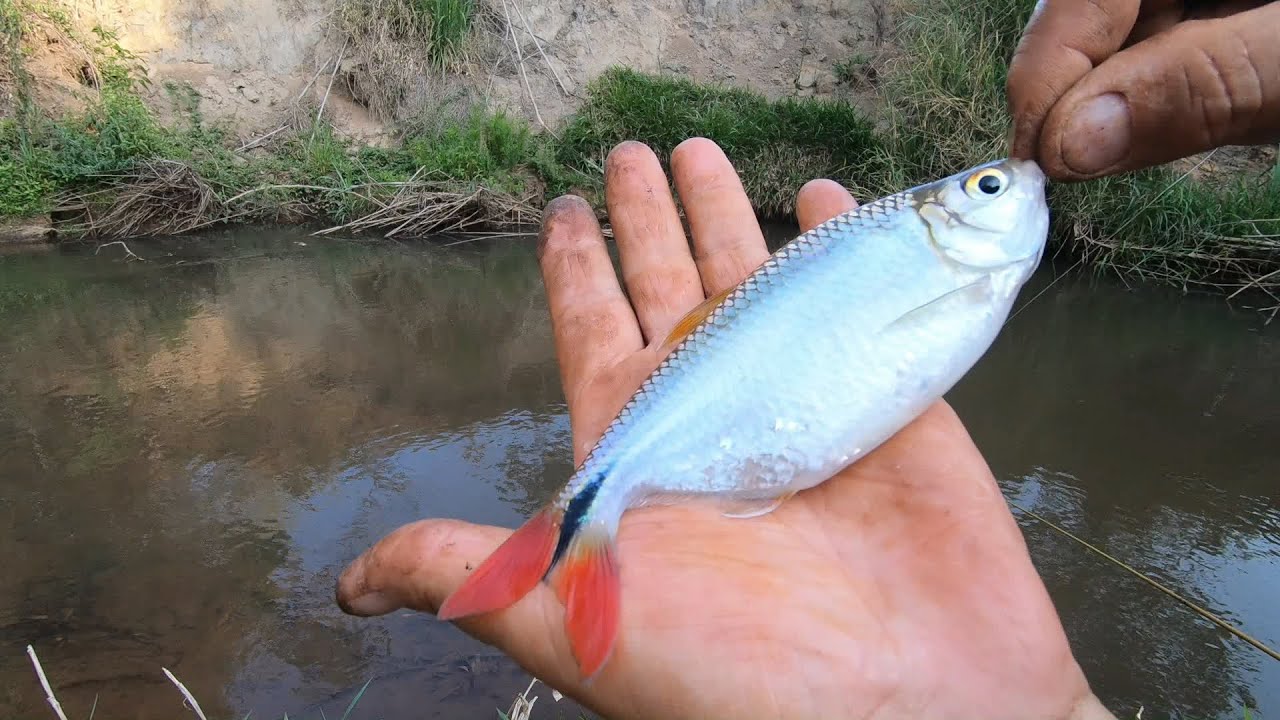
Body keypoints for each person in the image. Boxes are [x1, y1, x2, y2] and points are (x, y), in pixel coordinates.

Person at [335, 2, 1277, 717]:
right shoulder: (948, 262)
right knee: (605, 487)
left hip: (709, 412)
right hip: (679, 424)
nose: (1011, 186)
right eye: (988, 186)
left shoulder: (959, 263)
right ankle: (589, 514)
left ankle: (585, 519)